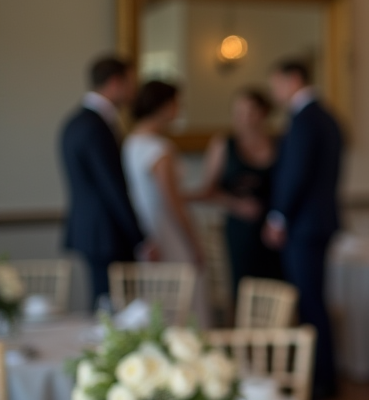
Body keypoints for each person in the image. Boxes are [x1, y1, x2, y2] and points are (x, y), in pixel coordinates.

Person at [263, 59, 342, 400]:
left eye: (276, 83)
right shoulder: (326, 116)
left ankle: (320, 381)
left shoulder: (305, 118)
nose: (274, 91)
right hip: (317, 222)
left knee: (310, 303)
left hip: (304, 226)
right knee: (313, 301)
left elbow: (295, 174)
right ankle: (321, 376)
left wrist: (278, 216)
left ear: (293, 78)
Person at [59, 55, 152, 308]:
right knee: (114, 309)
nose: (133, 90)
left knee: (107, 305)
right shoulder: (95, 126)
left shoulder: (75, 122)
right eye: (130, 83)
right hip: (108, 233)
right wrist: (139, 238)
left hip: (92, 231)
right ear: (115, 82)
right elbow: (113, 187)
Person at [121, 80, 209, 325]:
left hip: (147, 230)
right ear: (163, 106)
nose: (179, 110)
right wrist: (194, 242)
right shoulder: (159, 149)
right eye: (176, 104)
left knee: (159, 298)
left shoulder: (130, 143)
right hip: (168, 231)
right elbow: (173, 202)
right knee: (184, 296)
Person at [197, 88, 283, 302]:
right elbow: (208, 190)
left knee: (278, 289)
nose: (244, 118)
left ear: (263, 113)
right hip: (240, 229)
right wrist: (237, 205)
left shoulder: (280, 143)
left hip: (274, 226)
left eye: (250, 112)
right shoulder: (224, 144)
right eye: (239, 112)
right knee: (243, 289)